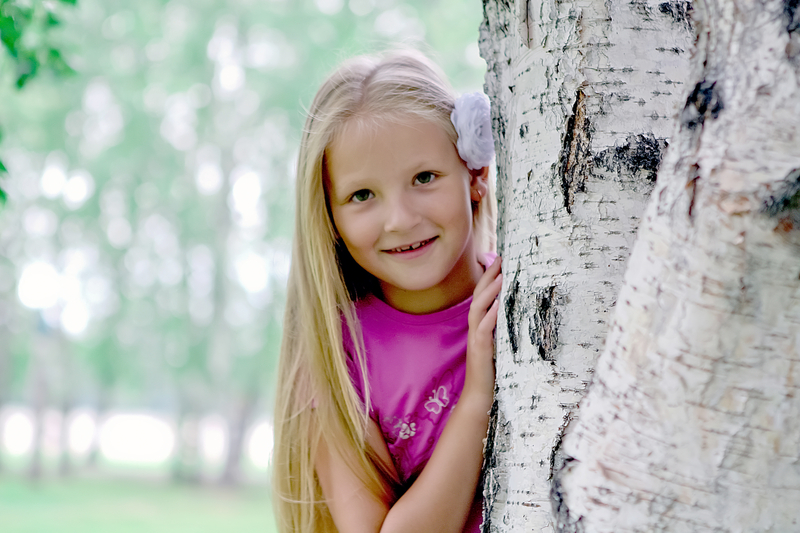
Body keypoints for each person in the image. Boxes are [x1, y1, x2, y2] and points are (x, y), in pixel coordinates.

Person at [272, 48, 501, 533]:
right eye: (362, 195)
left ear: (476, 175)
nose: (400, 219)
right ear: (330, 217)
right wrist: (478, 397)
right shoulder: (336, 358)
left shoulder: (530, 296)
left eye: (424, 178)